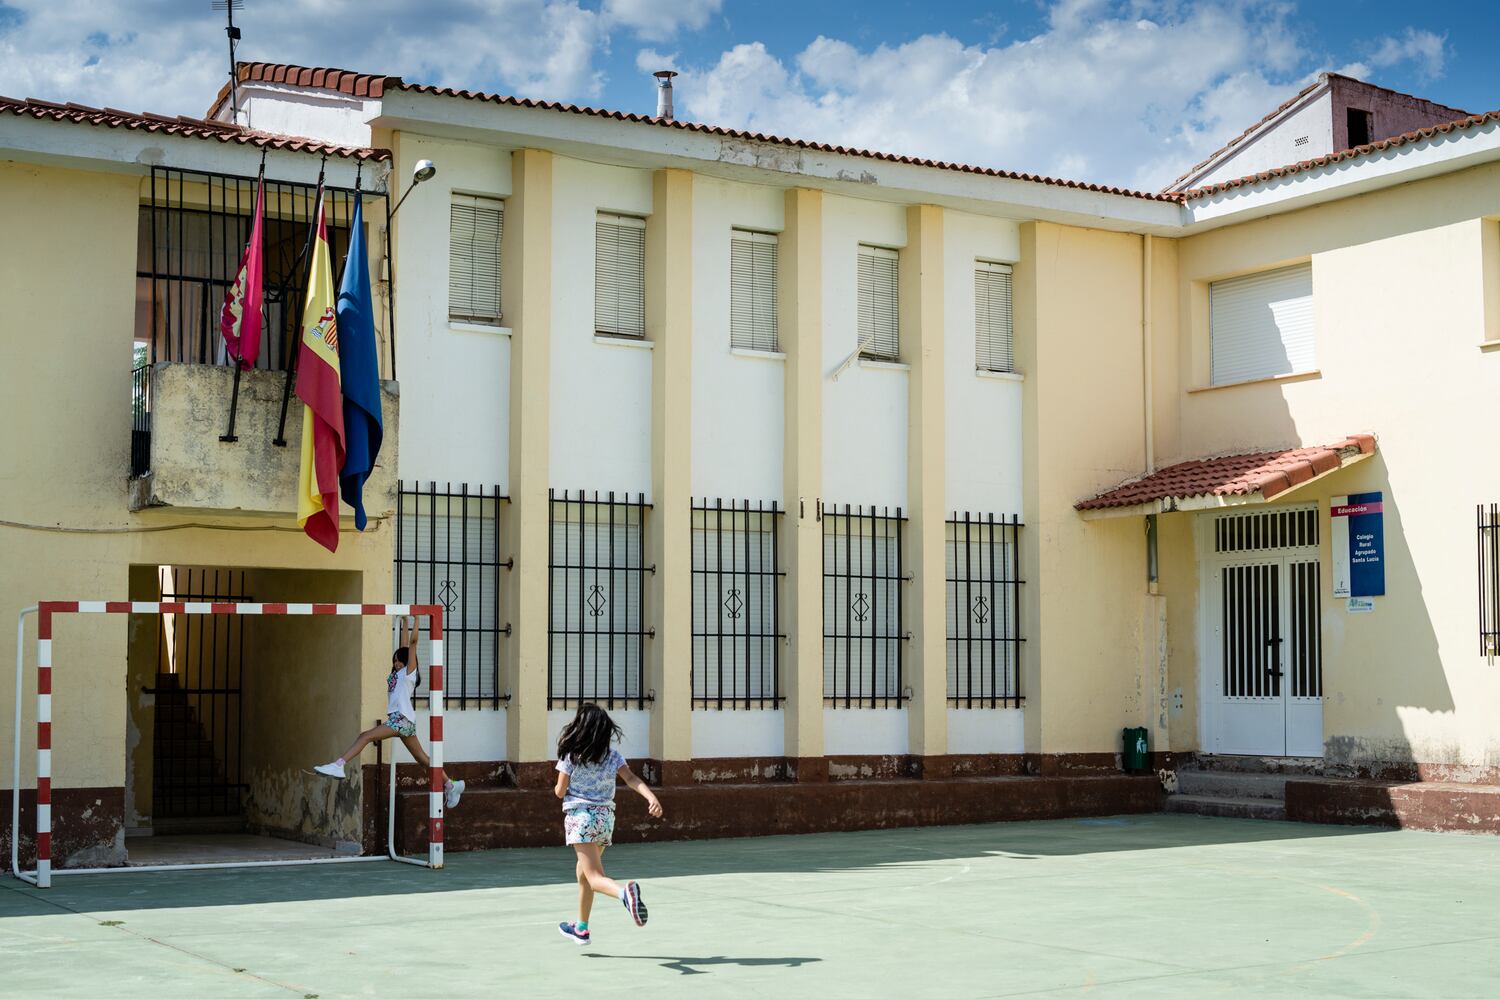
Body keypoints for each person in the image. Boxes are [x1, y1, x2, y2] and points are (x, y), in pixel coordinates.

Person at [312, 616, 464, 810]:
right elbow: (404, 644)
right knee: (423, 759)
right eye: (395, 661)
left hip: (401, 719)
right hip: (401, 720)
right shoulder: (398, 672)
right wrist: (405, 622)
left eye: (399, 661)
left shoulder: (410, 673)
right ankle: (452, 785)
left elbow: (412, 644)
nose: (397, 663)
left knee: (365, 736)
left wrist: (417, 619)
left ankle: (338, 764)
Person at [554, 702, 663, 946]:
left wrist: (561, 787)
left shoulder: (570, 755)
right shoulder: (613, 756)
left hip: (581, 818)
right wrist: (651, 797)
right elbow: (632, 778)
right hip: (605, 819)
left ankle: (624, 895)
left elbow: (560, 792)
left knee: (593, 877)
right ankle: (581, 928)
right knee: (582, 874)